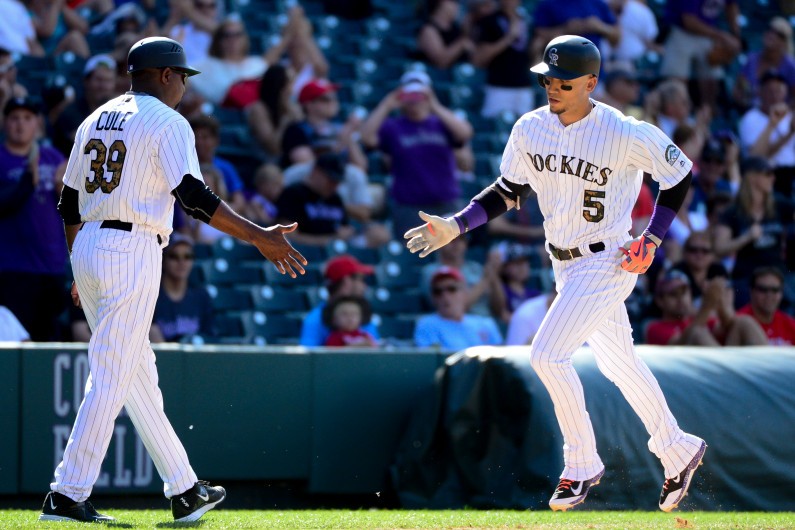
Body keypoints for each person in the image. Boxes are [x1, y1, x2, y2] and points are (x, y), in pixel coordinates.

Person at [404, 35, 707, 513]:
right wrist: (457, 225)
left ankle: (581, 463)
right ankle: (677, 448)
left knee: (547, 355)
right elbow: (509, 190)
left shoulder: (623, 131)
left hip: (608, 259)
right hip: (563, 263)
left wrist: (651, 238)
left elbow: (679, 173)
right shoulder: (530, 128)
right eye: (548, 79)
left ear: (591, 82)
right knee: (619, 364)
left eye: (564, 81)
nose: (553, 87)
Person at [41, 37, 307, 524]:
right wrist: (258, 236)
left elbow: (70, 204)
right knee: (111, 374)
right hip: (132, 247)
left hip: (90, 244)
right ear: (165, 75)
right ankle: (66, 493)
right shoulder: (167, 121)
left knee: (137, 373)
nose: (184, 85)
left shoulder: (94, 118)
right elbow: (193, 197)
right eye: (182, 76)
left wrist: (78, 262)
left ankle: (184, 489)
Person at [360, 70, 473, 239]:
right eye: (410, 95)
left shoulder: (441, 123)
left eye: (420, 95)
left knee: (451, 247)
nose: (415, 100)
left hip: (446, 201)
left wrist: (434, 104)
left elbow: (465, 133)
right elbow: (366, 138)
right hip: (409, 206)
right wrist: (387, 104)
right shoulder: (393, 126)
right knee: (413, 248)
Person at [0, 97, 69, 341]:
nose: (21, 124)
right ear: (5, 123)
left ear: (37, 123)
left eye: (27, 118)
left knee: (48, 344)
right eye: (15, 118)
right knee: (16, 343)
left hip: (51, 266)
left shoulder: (53, 157)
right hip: (12, 269)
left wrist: (65, 190)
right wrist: (28, 180)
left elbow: (74, 209)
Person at [712, 156, 793, 309]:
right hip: (747, 278)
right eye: (768, 174)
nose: (773, 178)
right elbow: (719, 248)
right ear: (752, 176)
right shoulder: (732, 212)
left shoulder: (779, 205)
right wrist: (746, 237)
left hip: (778, 275)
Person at [644, 268, 767, 347]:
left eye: (684, 292)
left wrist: (718, 298)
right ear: (660, 301)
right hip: (688, 375)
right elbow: (680, 345)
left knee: (744, 321)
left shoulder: (696, 319)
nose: (680, 299)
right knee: (697, 332)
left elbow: (729, 327)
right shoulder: (654, 327)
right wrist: (707, 305)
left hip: (718, 366)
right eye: (673, 294)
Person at [658, 0, 741, 112]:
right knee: (676, 82)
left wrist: (735, 36)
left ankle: (707, 116)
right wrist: (722, 37)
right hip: (681, 30)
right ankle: (673, 116)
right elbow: (688, 21)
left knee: (712, 80)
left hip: (707, 33)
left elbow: (731, 5)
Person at [275, 151, 357, 247]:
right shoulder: (293, 194)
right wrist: (331, 240)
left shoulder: (336, 199)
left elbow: (346, 229)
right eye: (331, 180)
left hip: (334, 253)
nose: (334, 185)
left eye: (337, 182)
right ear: (316, 171)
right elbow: (288, 237)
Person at [470, 0, 534, 118]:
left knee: (527, 126)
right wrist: (509, 38)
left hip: (524, 86)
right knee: (493, 124)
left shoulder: (527, 20)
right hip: (498, 86)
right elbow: (479, 58)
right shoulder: (490, 21)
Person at [299, 254, 380, 347]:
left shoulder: (363, 315)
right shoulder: (316, 319)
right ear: (347, 282)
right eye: (361, 280)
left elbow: (376, 351)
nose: (364, 286)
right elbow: (309, 353)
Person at [414, 266, 502, 349]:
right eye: (438, 291)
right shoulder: (427, 325)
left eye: (452, 289)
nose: (445, 296)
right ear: (432, 298)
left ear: (465, 292)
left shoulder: (486, 324)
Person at [738, 70, 795, 199]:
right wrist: (772, 124)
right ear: (760, 92)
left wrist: (791, 132)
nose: (774, 96)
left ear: (786, 93)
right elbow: (755, 157)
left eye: (779, 91)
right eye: (770, 91)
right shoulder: (750, 118)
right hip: (766, 176)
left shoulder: (790, 117)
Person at [150, 234, 215, 343]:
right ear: (163, 260)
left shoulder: (201, 296)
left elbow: (210, 336)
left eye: (187, 257)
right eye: (174, 256)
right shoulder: (152, 295)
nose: (181, 262)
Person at [52, 54, 120, 157]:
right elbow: (85, 145)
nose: (103, 86)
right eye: (99, 80)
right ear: (86, 81)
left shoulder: (119, 111)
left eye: (108, 81)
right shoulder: (71, 111)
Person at [733, 17, 795, 112]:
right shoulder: (752, 59)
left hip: (779, 114)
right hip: (750, 111)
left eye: (779, 34)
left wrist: (784, 112)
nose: (772, 35)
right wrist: (745, 103)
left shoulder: (790, 66)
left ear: (784, 42)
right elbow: (737, 89)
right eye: (770, 30)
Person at [737, 266, 795, 345]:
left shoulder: (790, 324)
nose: (769, 295)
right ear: (751, 291)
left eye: (775, 290)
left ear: (782, 293)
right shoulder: (739, 321)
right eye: (763, 289)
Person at [415, 0, 474, 69]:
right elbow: (440, 62)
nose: (457, 6)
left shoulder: (456, 29)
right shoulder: (428, 30)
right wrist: (461, 44)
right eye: (453, 2)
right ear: (441, 2)